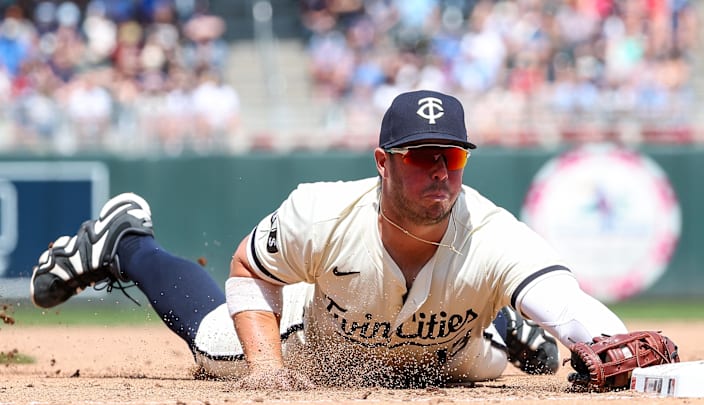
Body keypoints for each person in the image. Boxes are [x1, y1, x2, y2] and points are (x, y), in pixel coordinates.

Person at [30, 89, 628, 390]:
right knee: (215, 346)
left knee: (500, 362)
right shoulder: (322, 212)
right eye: (420, 157)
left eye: (449, 155)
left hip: (447, 352)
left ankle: (499, 320)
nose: (439, 170)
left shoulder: (495, 234)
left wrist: (616, 345)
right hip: (320, 341)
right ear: (383, 163)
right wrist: (265, 367)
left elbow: (569, 303)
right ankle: (127, 241)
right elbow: (247, 268)